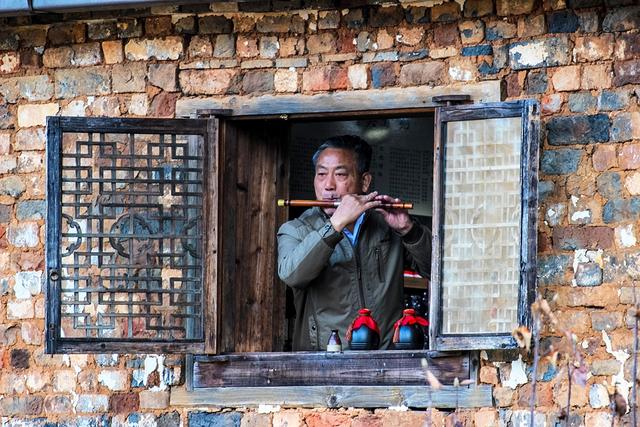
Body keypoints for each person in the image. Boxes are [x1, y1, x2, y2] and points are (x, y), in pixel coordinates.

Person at [277, 135, 431, 351]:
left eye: (340, 174)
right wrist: (336, 224)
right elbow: (292, 274)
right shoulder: (295, 229)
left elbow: (438, 271)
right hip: (324, 362)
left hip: (387, 359)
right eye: (321, 174)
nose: (328, 185)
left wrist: (408, 230)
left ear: (365, 182)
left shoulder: (386, 226)